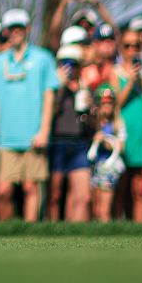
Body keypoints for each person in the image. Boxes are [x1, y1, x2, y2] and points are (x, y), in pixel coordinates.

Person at [0, 8, 58, 222]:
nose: (15, 32)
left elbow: (49, 96)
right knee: (3, 191)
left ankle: (30, 237)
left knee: (31, 188)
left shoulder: (43, 58)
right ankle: (7, 235)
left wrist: (44, 130)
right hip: (7, 137)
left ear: (27, 28)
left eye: (19, 27)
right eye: (11, 28)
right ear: (6, 32)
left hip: (33, 135)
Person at [47, 32, 93, 222]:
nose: (69, 67)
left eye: (73, 63)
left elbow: (89, 122)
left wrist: (91, 110)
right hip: (57, 142)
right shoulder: (53, 87)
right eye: (66, 63)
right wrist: (59, 87)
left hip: (79, 143)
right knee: (55, 195)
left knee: (83, 196)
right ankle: (51, 236)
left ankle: (77, 237)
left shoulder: (84, 87)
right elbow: (49, 113)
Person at [115, 29, 142, 222]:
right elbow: (115, 104)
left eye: (136, 46)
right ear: (121, 48)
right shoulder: (115, 72)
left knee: (139, 189)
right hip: (123, 135)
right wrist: (130, 81)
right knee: (121, 188)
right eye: (127, 46)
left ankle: (139, 234)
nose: (131, 50)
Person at [88, 87, 126, 222]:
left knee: (104, 209)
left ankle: (106, 239)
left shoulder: (117, 123)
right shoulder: (95, 123)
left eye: (110, 103)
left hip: (108, 168)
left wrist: (105, 140)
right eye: (104, 104)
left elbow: (121, 146)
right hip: (95, 166)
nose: (107, 107)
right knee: (95, 208)